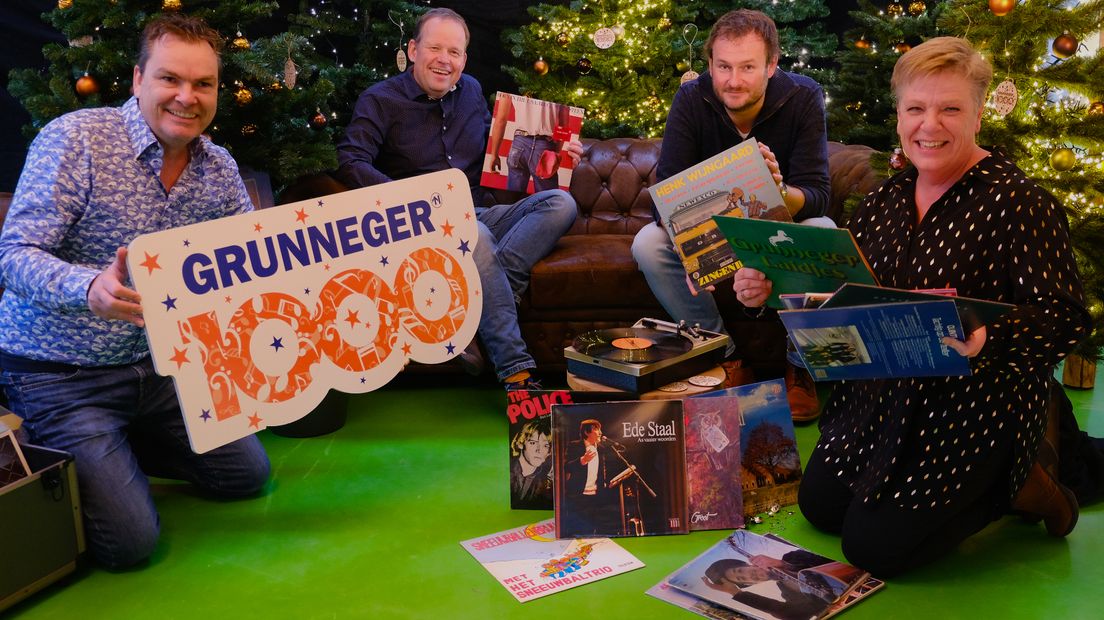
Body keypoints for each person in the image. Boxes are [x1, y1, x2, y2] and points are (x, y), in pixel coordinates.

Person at [734, 37, 1089, 577]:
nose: (930, 125)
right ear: (898, 115)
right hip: (880, 398)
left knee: (876, 549)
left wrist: (989, 337)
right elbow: (843, 295)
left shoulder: (1019, 202)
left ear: (978, 114)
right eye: (916, 108)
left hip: (971, 403)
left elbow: (1066, 318)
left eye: (951, 108)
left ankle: (1022, 486)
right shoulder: (883, 201)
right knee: (821, 508)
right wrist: (772, 288)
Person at [0, 14, 271, 570]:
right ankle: (72, 447)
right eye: (170, 79)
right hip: (62, 373)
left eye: (203, 84)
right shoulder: (76, 140)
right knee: (129, 545)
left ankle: (116, 449)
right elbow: (14, 255)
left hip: (160, 368)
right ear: (137, 79)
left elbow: (251, 259)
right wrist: (89, 288)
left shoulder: (218, 168)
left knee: (247, 476)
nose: (186, 97)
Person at [335, 8, 580, 390]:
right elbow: (351, 159)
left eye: (454, 52)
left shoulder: (471, 92)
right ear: (414, 49)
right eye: (435, 48)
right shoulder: (380, 100)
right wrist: (406, 200)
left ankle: (482, 303)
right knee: (477, 234)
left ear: (464, 59)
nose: (444, 60)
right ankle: (517, 373)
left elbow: (499, 151)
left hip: (474, 209)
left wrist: (561, 154)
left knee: (560, 204)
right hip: (418, 223)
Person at [631, 9, 830, 422]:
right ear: (710, 65)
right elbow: (662, 197)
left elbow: (817, 198)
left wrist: (779, 191)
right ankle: (723, 354)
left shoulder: (804, 96)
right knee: (647, 243)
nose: (733, 80)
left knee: (822, 229)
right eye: (723, 66)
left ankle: (800, 365)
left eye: (747, 68)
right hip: (710, 233)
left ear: (772, 66)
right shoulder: (691, 98)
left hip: (780, 232)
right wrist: (693, 246)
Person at [487, 93, 574, 194]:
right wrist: (555, 154)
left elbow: (500, 120)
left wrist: (494, 154)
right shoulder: (559, 87)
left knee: (513, 200)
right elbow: (564, 126)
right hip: (545, 147)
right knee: (547, 202)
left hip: (518, 146)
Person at [701, 558, 832, 620]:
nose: (748, 575)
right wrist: (736, 593)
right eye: (741, 579)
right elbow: (792, 615)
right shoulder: (789, 595)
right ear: (749, 583)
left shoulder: (791, 557)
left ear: (748, 564)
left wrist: (785, 564)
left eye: (740, 570)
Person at [561, 419, 620, 536]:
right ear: (587, 432)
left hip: (596, 497)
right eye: (596, 429)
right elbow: (566, 467)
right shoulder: (575, 446)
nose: (600, 432)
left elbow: (603, 472)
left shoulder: (601, 449)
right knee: (579, 530)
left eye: (600, 429)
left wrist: (608, 483)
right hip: (578, 497)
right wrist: (582, 460)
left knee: (595, 530)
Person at [509, 417, 553, 507]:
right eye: (533, 443)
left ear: (549, 451)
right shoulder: (508, 471)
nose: (539, 450)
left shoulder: (545, 481)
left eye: (545, 445)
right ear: (520, 443)